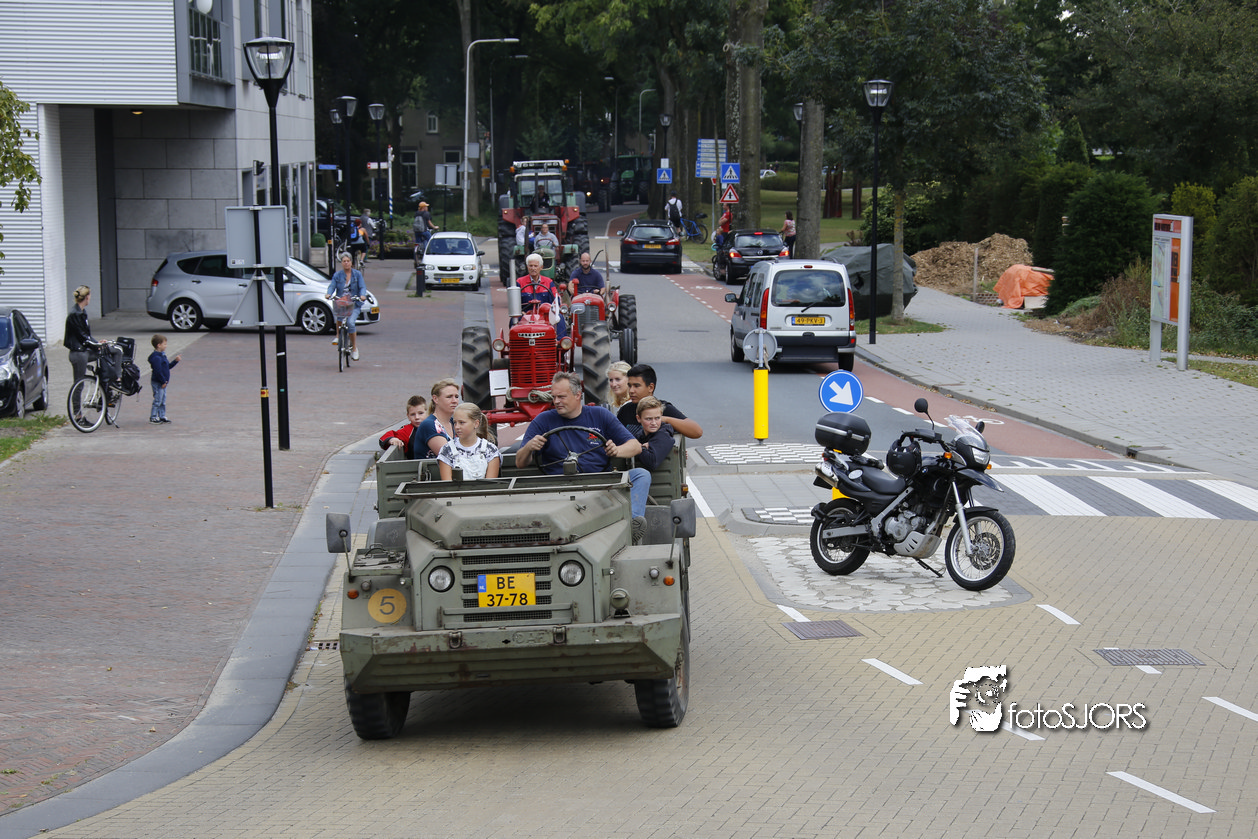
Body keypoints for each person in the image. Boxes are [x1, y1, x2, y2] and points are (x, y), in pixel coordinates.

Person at [515, 372, 651, 542]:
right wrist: (529, 447)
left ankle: (631, 524)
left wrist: (616, 450)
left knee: (641, 475)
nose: (556, 401)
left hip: (600, 484)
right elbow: (520, 462)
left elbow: (635, 446)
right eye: (554, 397)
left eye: (561, 397)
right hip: (557, 488)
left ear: (578, 395)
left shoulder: (599, 415)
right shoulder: (543, 420)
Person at [616, 363, 703, 440]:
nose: (631, 391)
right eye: (629, 386)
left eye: (636, 386)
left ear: (651, 387)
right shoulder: (625, 410)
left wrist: (664, 419)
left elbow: (697, 431)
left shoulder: (663, 408)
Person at [64, 285, 122, 386]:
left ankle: (114, 379)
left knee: (116, 350)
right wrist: (97, 346)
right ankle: (116, 380)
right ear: (87, 297)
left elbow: (86, 335)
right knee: (78, 384)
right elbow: (82, 337)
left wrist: (97, 343)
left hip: (83, 350)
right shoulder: (76, 314)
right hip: (79, 353)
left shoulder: (82, 312)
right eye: (90, 295)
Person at [438, 402, 502, 480]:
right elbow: (447, 484)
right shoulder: (447, 450)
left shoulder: (490, 450)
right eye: (455, 422)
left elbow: (490, 484)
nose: (457, 427)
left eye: (462, 422)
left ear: (476, 423)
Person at [517, 253, 567, 339]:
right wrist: (521, 312)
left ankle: (560, 342)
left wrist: (551, 310)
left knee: (560, 318)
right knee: (513, 320)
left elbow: (556, 299)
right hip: (526, 314)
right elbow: (515, 302)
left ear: (541, 267)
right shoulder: (520, 282)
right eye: (530, 266)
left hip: (545, 314)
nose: (533, 268)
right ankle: (515, 343)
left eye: (535, 266)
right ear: (527, 267)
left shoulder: (548, 282)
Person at [326, 253, 367, 360]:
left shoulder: (357, 274)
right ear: (341, 263)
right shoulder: (337, 275)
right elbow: (332, 286)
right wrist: (329, 294)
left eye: (348, 261)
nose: (346, 263)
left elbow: (362, 287)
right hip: (342, 302)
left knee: (350, 323)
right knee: (339, 318)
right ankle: (338, 336)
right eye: (344, 261)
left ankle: (354, 348)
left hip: (354, 303)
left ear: (351, 262)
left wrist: (362, 295)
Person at [416, 378, 460, 458]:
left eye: (456, 397)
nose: (454, 401)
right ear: (435, 399)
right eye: (449, 397)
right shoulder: (430, 425)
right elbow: (449, 457)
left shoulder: (453, 422)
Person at [632, 396, 675, 472]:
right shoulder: (640, 434)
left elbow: (652, 462)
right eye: (649, 419)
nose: (654, 423)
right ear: (638, 418)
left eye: (657, 418)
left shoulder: (663, 435)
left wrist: (640, 447)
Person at [147, 334, 181, 424]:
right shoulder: (157, 358)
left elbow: (167, 367)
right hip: (159, 382)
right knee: (158, 400)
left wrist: (175, 361)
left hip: (163, 382)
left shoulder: (162, 356)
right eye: (164, 344)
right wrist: (163, 381)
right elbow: (157, 371)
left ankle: (162, 416)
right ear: (159, 345)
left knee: (162, 400)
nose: (166, 346)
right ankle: (153, 417)